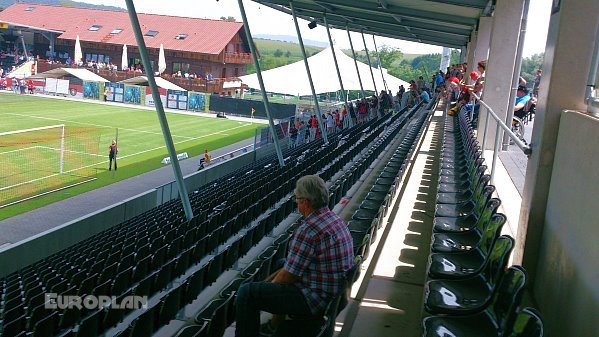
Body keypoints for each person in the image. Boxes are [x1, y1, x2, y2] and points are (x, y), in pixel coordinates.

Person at [235, 175, 354, 337]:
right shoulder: (334, 219)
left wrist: (265, 288)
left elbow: (288, 277)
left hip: (315, 300)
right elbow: (289, 267)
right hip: (332, 291)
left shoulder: (308, 230)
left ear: (305, 202)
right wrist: (267, 284)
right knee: (281, 263)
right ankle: (274, 325)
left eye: (297, 199)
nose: (296, 203)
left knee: (247, 293)